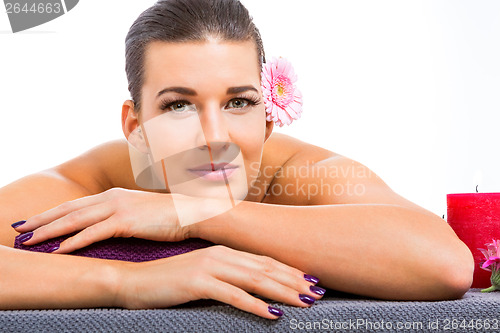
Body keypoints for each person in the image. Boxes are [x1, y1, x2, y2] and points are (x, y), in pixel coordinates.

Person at [0, 0, 473, 320]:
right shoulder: (89, 182)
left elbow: (445, 265)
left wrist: (191, 215)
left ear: (268, 118)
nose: (215, 137)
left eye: (239, 102)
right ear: (135, 126)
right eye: (178, 105)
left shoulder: (302, 175)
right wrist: (128, 281)